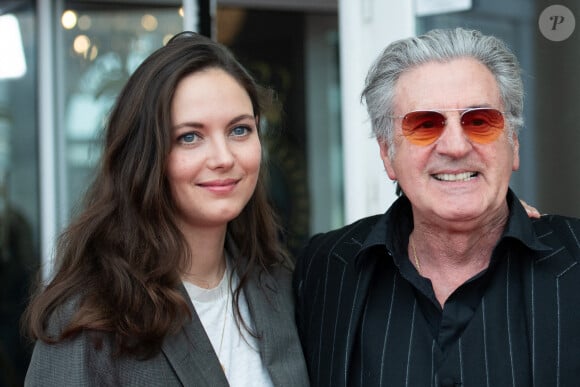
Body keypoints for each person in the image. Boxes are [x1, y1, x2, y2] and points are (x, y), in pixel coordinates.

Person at [293, 27, 580, 387]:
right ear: (387, 154)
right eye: (425, 124)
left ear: (514, 144)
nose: (456, 147)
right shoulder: (323, 269)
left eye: (479, 121)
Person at [23, 31, 309, 386]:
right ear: (144, 156)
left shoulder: (278, 283)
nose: (223, 158)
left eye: (239, 130)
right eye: (190, 137)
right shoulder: (88, 318)